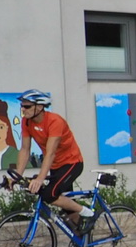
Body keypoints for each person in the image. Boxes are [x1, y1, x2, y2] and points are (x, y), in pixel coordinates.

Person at [16, 90, 92, 238]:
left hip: (72, 163)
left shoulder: (55, 121)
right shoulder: (27, 122)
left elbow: (50, 153)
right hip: (56, 166)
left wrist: (39, 179)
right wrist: (16, 176)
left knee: (49, 195)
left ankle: (87, 213)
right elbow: (25, 150)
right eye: (22, 106)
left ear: (39, 107)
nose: (23, 109)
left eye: (27, 106)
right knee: (68, 208)